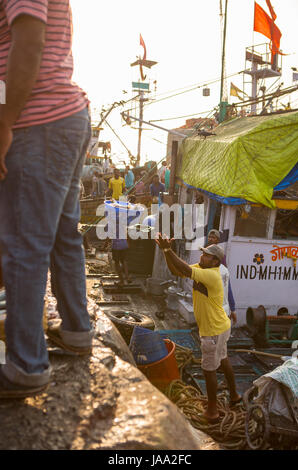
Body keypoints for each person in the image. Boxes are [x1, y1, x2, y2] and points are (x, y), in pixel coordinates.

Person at [0, 0, 94, 399]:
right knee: (61, 234)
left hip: (37, 123)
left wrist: (4, 122)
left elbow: (29, 43)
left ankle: (25, 365)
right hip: (63, 116)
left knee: (25, 243)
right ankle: (76, 329)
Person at [156, 235, 241, 423]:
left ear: (215, 261)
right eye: (202, 254)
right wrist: (165, 251)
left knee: (209, 368)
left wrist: (169, 250)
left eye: (206, 255)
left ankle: (212, 411)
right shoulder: (202, 268)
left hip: (214, 330)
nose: (201, 257)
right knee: (223, 359)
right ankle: (235, 396)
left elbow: (184, 268)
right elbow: (177, 270)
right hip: (221, 326)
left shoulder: (213, 274)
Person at [206, 229, 237, 325]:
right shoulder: (205, 250)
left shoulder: (220, 254)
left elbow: (226, 280)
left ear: (217, 240)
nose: (210, 239)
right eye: (209, 237)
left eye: (213, 237)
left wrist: (232, 308)